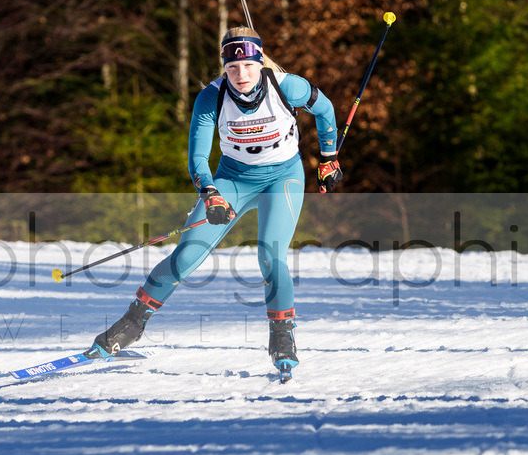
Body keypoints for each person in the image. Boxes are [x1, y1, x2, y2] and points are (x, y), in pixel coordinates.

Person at [86, 26, 341, 374]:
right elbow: (197, 159)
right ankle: (132, 323)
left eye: (248, 66)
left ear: (260, 61)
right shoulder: (212, 97)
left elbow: (325, 110)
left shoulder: (286, 85)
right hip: (232, 179)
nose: (241, 75)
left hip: (282, 177)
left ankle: (282, 334)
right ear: (224, 67)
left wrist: (329, 159)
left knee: (270, 254)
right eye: (232, 68)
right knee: (187, 253)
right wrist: (210, 194)